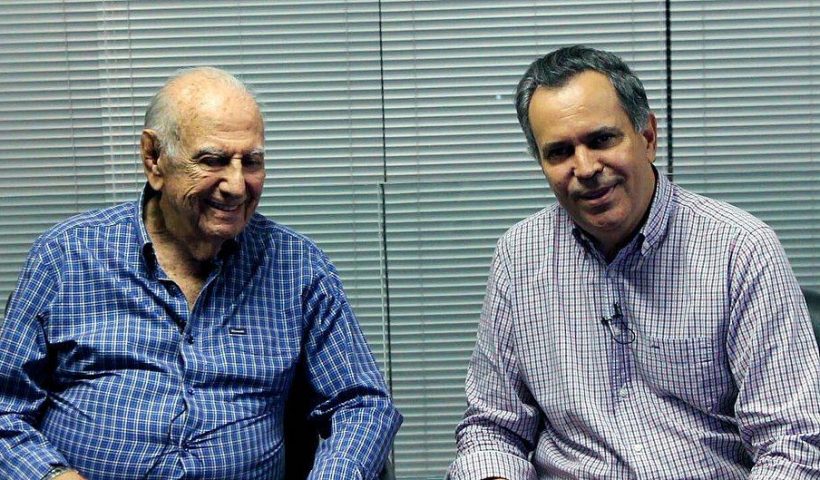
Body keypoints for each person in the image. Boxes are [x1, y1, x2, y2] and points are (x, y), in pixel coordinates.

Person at [0, 67, 401, 480]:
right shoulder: (67, 257)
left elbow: (362, 404)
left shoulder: (297, 267)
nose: (236, 186)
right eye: (213, 160)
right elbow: (5, 411)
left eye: (251, 162)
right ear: (154, 159)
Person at [448, 45, 820, 479]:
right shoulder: (520, 255)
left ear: (647, 137)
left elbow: (793, 444)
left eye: (601, 140)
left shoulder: (740, 250)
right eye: (560, 152)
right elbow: (493, 427)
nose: (585, 167)